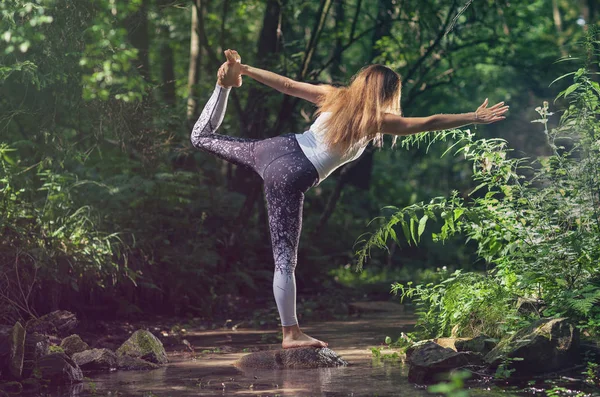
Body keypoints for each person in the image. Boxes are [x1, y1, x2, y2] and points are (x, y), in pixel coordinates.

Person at [191, 49, 508, 349]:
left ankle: (224, 86)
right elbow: (430, 122)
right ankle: (291, 334)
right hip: (293, 174)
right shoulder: (377, 121)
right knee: (284, 261)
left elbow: (285, 85)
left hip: (274, 150)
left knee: (201, 137)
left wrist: (244, 69)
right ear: (387, 94)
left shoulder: (334, 96)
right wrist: (473, 117)